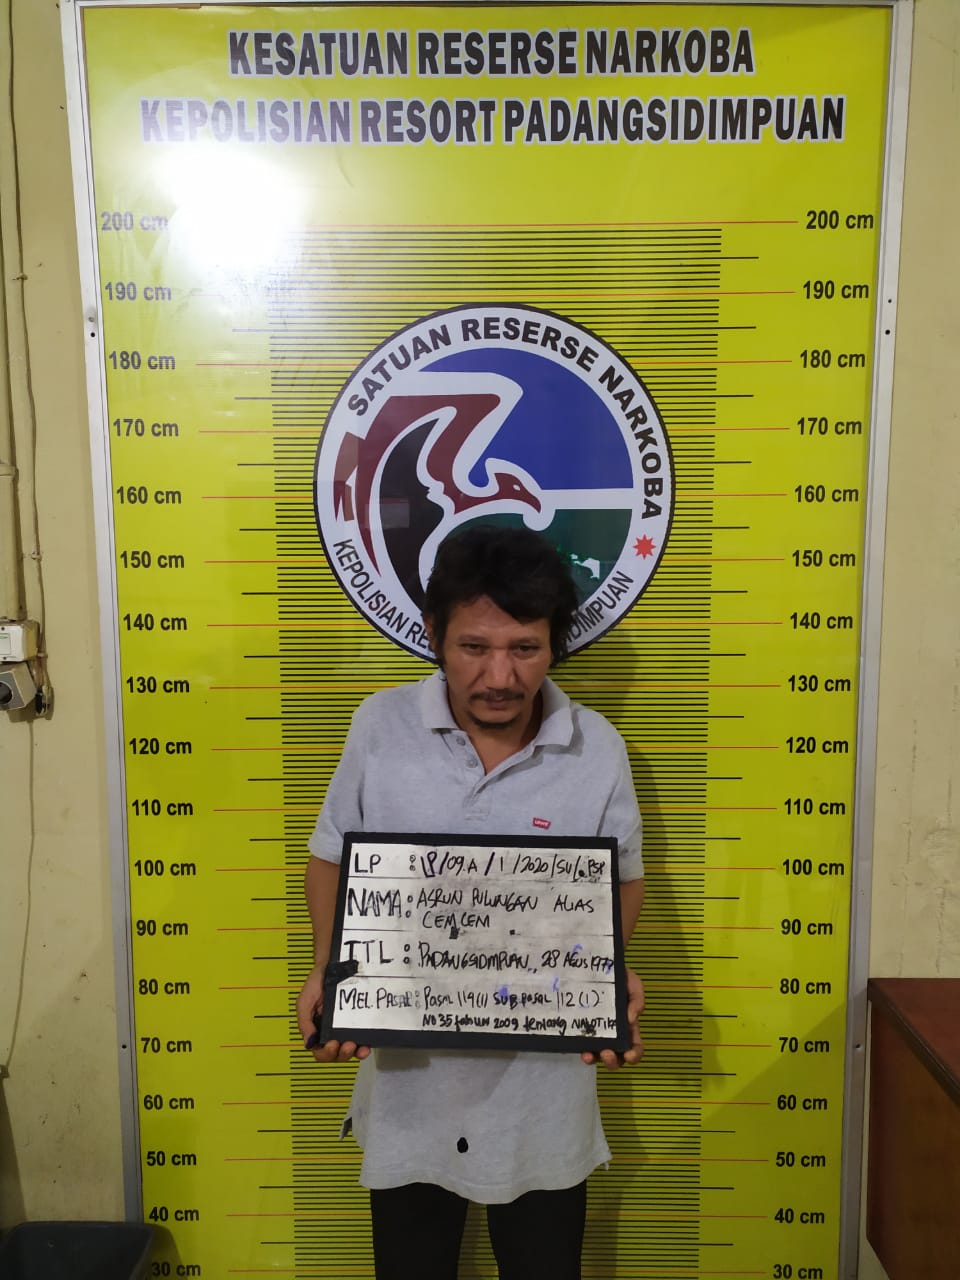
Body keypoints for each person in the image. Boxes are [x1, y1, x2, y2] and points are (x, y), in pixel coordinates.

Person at [296, 524, 645, 1280]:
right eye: (474, 647)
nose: (500, 675)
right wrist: (328, 969)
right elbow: (331, 855)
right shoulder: (379, 725)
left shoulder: (598, 747)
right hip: (409, 1085)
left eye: (525, 648)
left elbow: (621, 876)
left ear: (555, 645)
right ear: (433, 635)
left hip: (542, 1092)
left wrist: (607, 973)